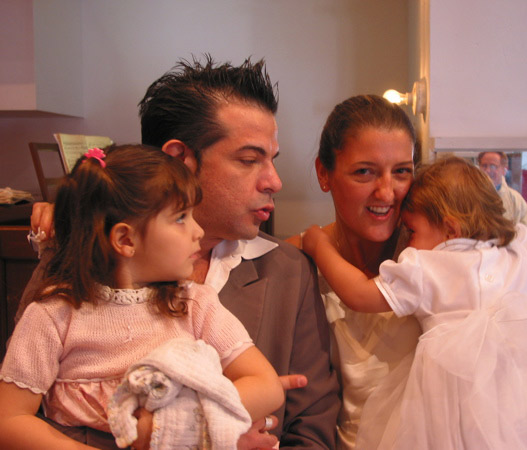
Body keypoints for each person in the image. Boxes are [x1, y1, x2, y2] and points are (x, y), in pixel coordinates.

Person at [18, 55, 340, 449]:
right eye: (249, 159)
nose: (274, 181)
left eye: (272, 160)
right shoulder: (76, 266)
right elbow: (29, 414)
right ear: (178, 158)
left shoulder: (288, 272)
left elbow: (311, 429)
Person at [302, 156, 527, 449]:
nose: (407, 241)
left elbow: (359, 295)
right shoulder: (519, 251)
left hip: (452, 413)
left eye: (412, 231)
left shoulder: (428, 268)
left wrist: (318, 245)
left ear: (451, 230)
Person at [0, 145, 285, 449]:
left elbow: (266, 386)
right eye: (181, 218)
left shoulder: (194, 304)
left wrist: (174, 424)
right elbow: (9, 420)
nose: (198, 231)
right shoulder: (53, 314)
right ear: (125, 239)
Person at [287, 95, 422, 449]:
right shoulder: (292, 262)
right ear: (324, 173)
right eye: (364, 172)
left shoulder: (432, 259)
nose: (386, 192)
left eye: (401, 171)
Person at [477, 151, 527, 226]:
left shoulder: (516, 200)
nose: (488, 170)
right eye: (484, 166)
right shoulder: (470, 196)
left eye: (493, 166)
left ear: (503, 170)